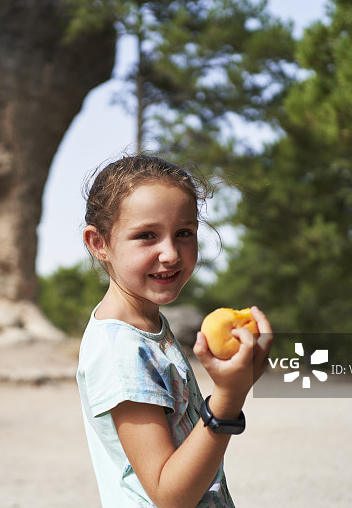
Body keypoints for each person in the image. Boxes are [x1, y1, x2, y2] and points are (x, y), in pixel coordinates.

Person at [76, 154, 273, 508]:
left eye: (184, 233)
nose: (170, 253)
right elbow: (170, 496)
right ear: (99, 243)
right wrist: (228, 399)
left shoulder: (148, 325)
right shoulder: (121, 351)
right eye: (146, 236)